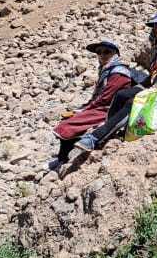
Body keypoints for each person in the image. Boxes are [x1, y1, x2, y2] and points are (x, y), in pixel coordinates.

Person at [74, 11, 157, 152]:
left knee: (133, 102)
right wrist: (144, 85)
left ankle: (96, 137)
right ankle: (108, 127)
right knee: (121, 94)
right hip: (154, 83)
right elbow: (156, 72)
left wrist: (156, 87)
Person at [47, 40, 133, 171]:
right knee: (70, 118)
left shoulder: (119, 73)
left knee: (68, 124)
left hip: (108, 109)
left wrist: (85, 110)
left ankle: (62, 159)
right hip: (101, 106)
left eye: (107, 52)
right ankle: (62, 158)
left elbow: (106, 98)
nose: (102, 55)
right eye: (99, 52)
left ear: (115, 54)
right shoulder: (107, 69)